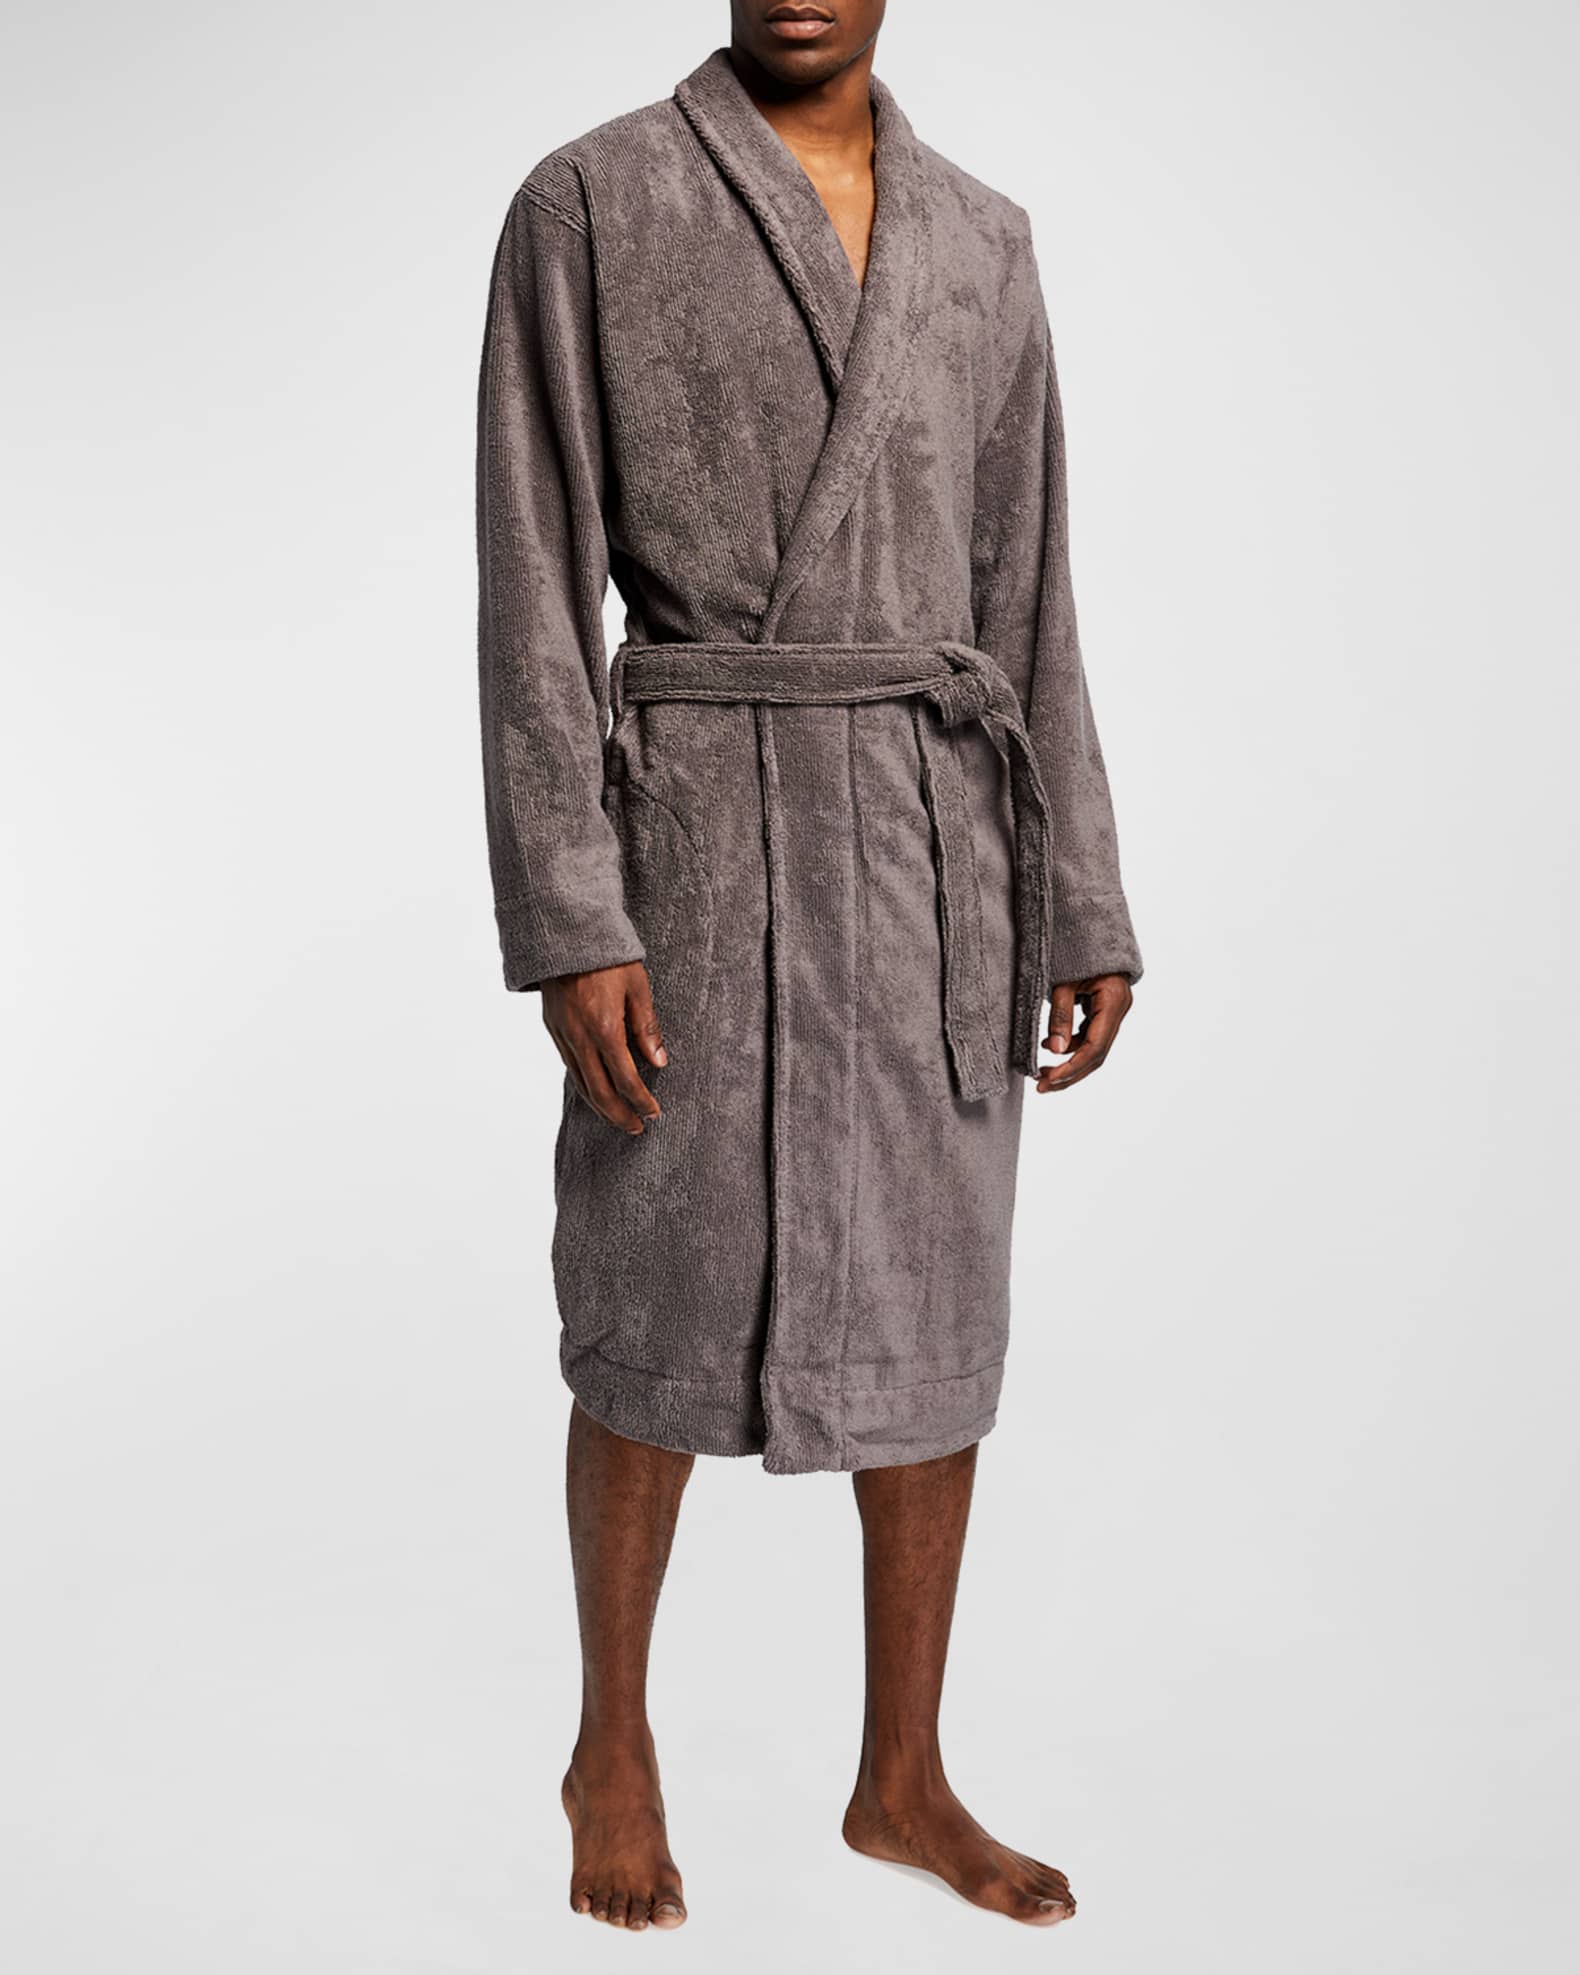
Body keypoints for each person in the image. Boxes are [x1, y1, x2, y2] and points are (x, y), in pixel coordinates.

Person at [475, 0, 1142, 1933]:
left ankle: (902, 1777)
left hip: (933, 849)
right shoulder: (591, 201)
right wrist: (574, 912)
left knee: (934, 1298)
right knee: (657, 1281)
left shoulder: (982, 238)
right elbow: (535, 579)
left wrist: (1078, 892)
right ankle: (612, 1744)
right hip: (699, 837)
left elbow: (1029, 590)